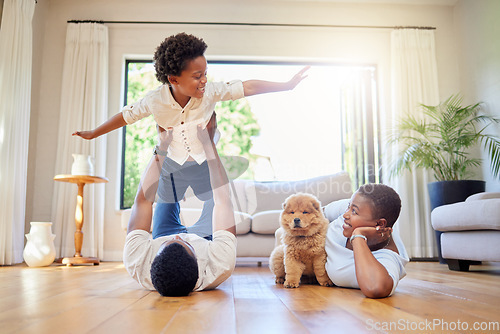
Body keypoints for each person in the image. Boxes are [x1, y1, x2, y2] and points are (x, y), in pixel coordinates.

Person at [73, 32, 309, 239]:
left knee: (216, 218)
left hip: (204, 161)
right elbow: (125, 116)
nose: (204, 80)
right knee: (158, 221)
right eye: (197, 76)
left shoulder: (210, 92)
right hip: (172, 163)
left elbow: (247, 87)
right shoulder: (155, 101)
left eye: (205, 72)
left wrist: (287, 85)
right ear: (173, 79)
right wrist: (94, 133)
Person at [123, 114, 237, 296]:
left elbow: (143, 200)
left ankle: (178, 158)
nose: (179, 237)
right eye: (185, 243)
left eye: (171, 242)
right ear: (199, 262)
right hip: (205, 239)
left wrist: (162, 147)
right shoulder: (219, 265)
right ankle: (203, 147)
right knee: (215, 200)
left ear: (153, 259)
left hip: (163, 234)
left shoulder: (138, 261)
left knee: (164, 190)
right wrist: (208, 145)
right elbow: (223, 200)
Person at [324, 183, 409, 298]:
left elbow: (375, 288)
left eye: (354, 211)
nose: (345, 214)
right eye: (349, 207)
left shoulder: (388, 256)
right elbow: (314, 212)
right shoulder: (351, 209)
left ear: (379, 224)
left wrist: (358, 236)